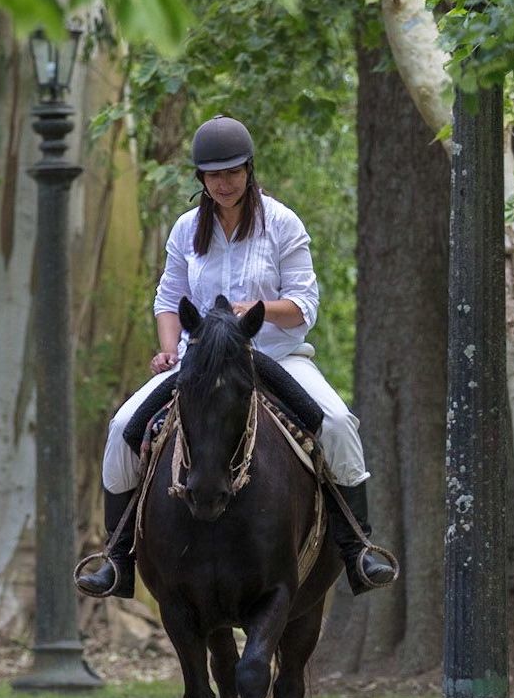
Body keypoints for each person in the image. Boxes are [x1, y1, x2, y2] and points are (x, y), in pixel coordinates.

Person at [75, 115, 397, 598]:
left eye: (233, 172)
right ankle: (116, 556)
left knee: (334, 422)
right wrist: (168, 351)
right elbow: (169, 300)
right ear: (201, 179)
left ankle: (358, 548)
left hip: (273, 356)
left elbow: (304, 304)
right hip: (201, 365)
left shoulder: (282, 222)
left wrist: (259, 309)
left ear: (249, 170)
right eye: (214, 174)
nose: (224, 183)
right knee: (123, 428)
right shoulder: (187, 230)